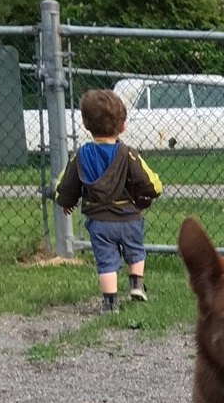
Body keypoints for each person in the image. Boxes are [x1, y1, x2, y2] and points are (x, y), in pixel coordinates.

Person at [54, 89, 164, 314]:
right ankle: (136, 283)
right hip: (129, 218)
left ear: (86, 123)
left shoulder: (81, 156)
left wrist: (66, 201)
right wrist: (150, 193)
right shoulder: (128, 154)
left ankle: (110, 303)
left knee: (106, 262)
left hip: (99, 222)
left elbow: (67, 184)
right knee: (135, 250)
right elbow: (150, 183)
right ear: (122, 125)